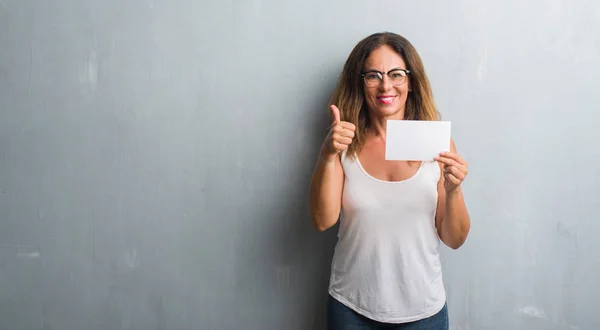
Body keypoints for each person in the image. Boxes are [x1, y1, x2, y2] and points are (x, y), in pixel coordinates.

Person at [308, 32, 471, 330]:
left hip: (423, 311)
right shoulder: (345, 143)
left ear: (411, 80)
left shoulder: (437, 144)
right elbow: (322, 220)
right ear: (360, 82)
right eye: (373, 75)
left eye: (396, 74)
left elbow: (454, 238)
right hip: (351, 308)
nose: (386, 85)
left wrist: (454, 189)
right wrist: (327, 154)